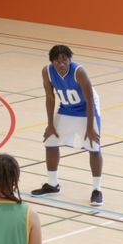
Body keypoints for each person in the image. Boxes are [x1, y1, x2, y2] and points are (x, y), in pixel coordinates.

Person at [30, 45, 104, 206]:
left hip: (87, 109)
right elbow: (50, 98)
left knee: (94, 146)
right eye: (57, 60)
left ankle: (97, 190)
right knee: (50, 141)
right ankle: (52, 185)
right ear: (52, 62)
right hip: (66, 108)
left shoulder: (79, 72)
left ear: (70, 60)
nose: (61, 63)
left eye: (65, 59)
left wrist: (90, 128)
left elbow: (90, 100)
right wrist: (50, 125)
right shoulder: (47, 72)